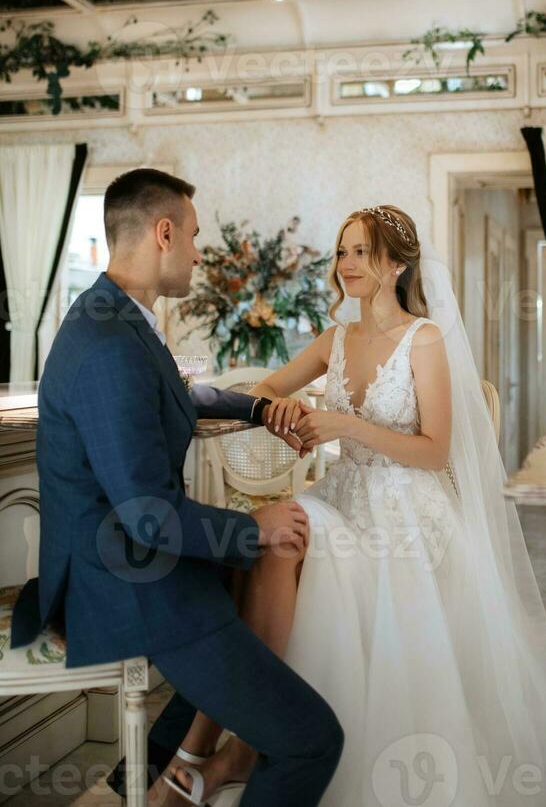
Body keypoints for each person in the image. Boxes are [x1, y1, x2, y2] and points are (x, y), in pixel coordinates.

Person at [167, 204, 546, 807]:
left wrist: (347, 421)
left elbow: (433, 451)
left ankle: (242, 748)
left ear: (396, 265)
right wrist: (281, 412)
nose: (346, 264)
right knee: (276, 540)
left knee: (286, 545)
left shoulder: (424, 341)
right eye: (342, 251)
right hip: (342, 493)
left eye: (361, 252)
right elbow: (266, 390)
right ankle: (253, 735)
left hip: (408, 511)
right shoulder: (336, 338)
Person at [11, 168, 344, 807]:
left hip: (128, 561)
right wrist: (254, 527)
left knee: (253, 581)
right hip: (123, 583)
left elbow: (181, 393)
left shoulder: (115, 314)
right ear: (164, 233)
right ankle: (202, 768)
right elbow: (147, 517)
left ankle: (172, 779)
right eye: (193, 236)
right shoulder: (108, 344)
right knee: (312, 740)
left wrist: (258, 407)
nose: (198, 251)